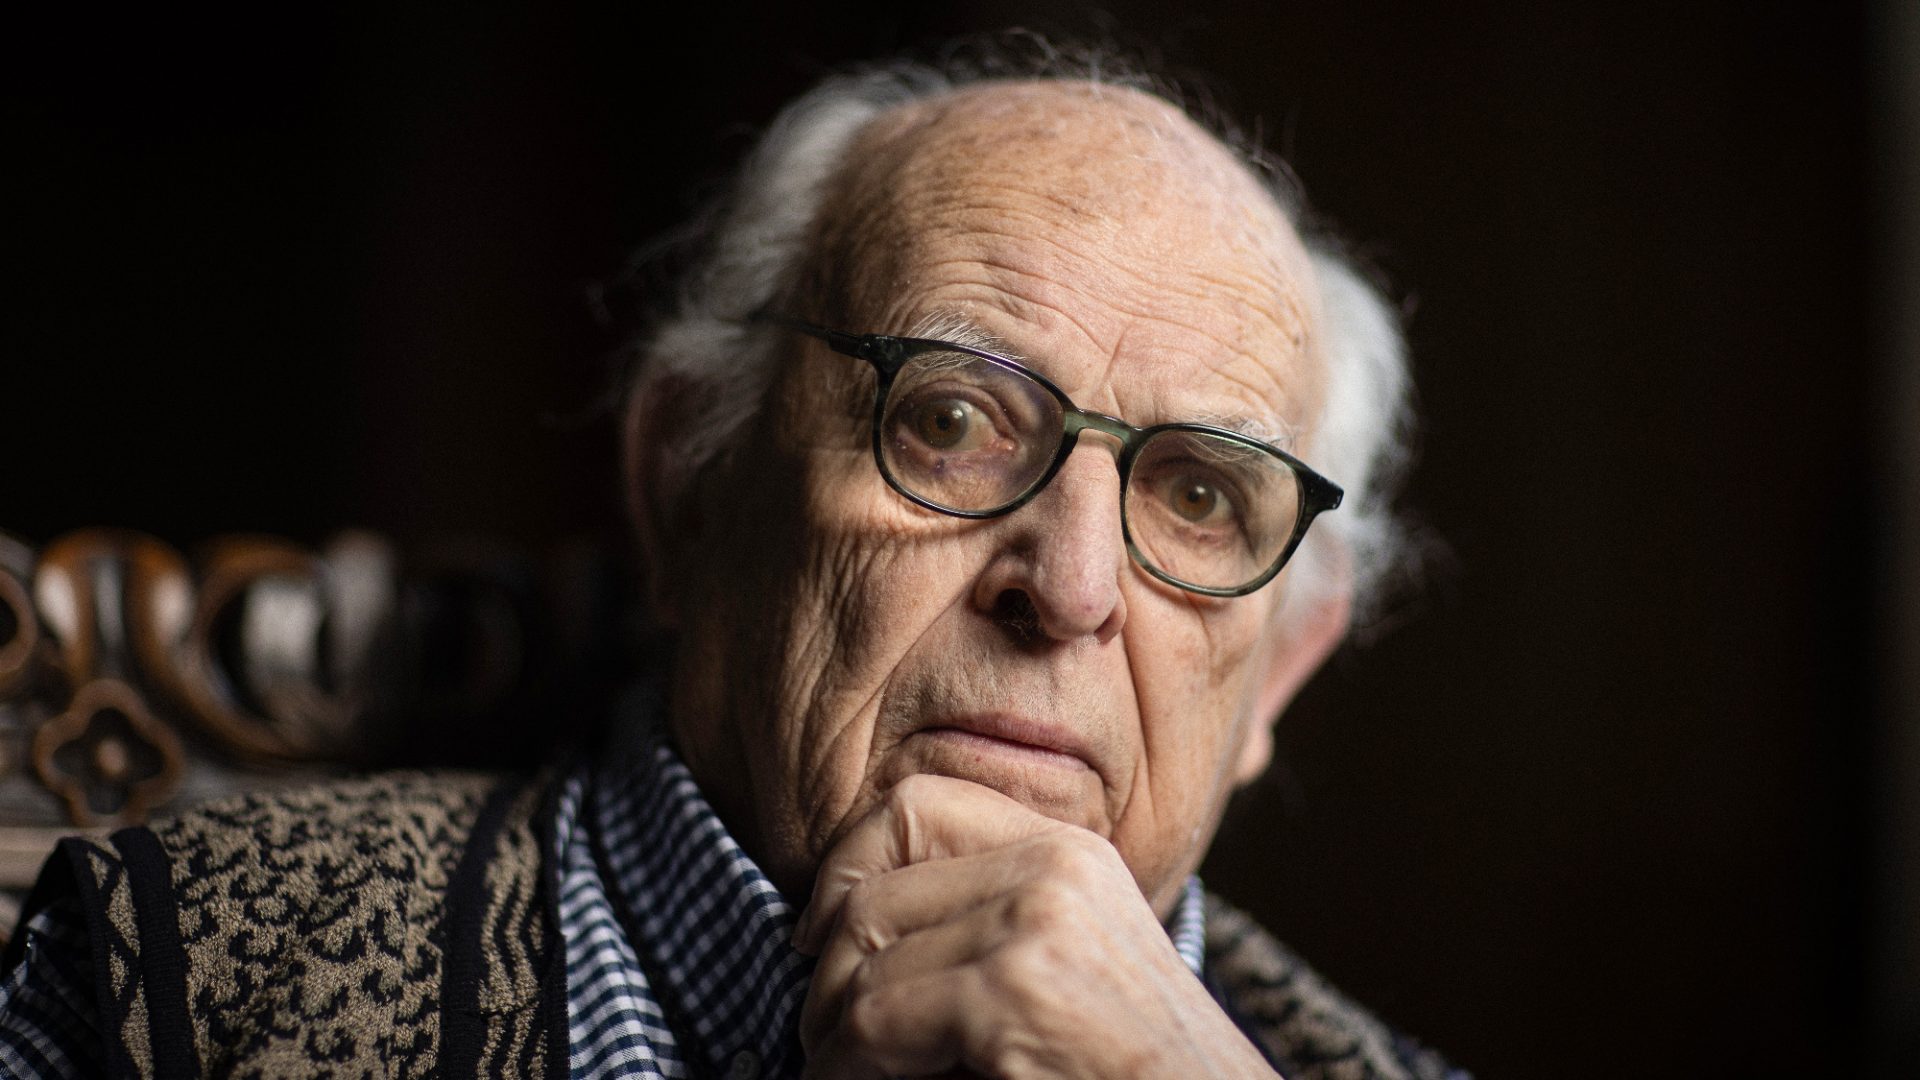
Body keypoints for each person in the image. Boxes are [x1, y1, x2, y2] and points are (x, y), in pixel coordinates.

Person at [0, 47, 1458, 1080]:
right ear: (687, 485)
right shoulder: (170, 986)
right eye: (948, 418)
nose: (1070, 586)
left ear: (1289, 658)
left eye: (1202, 497)